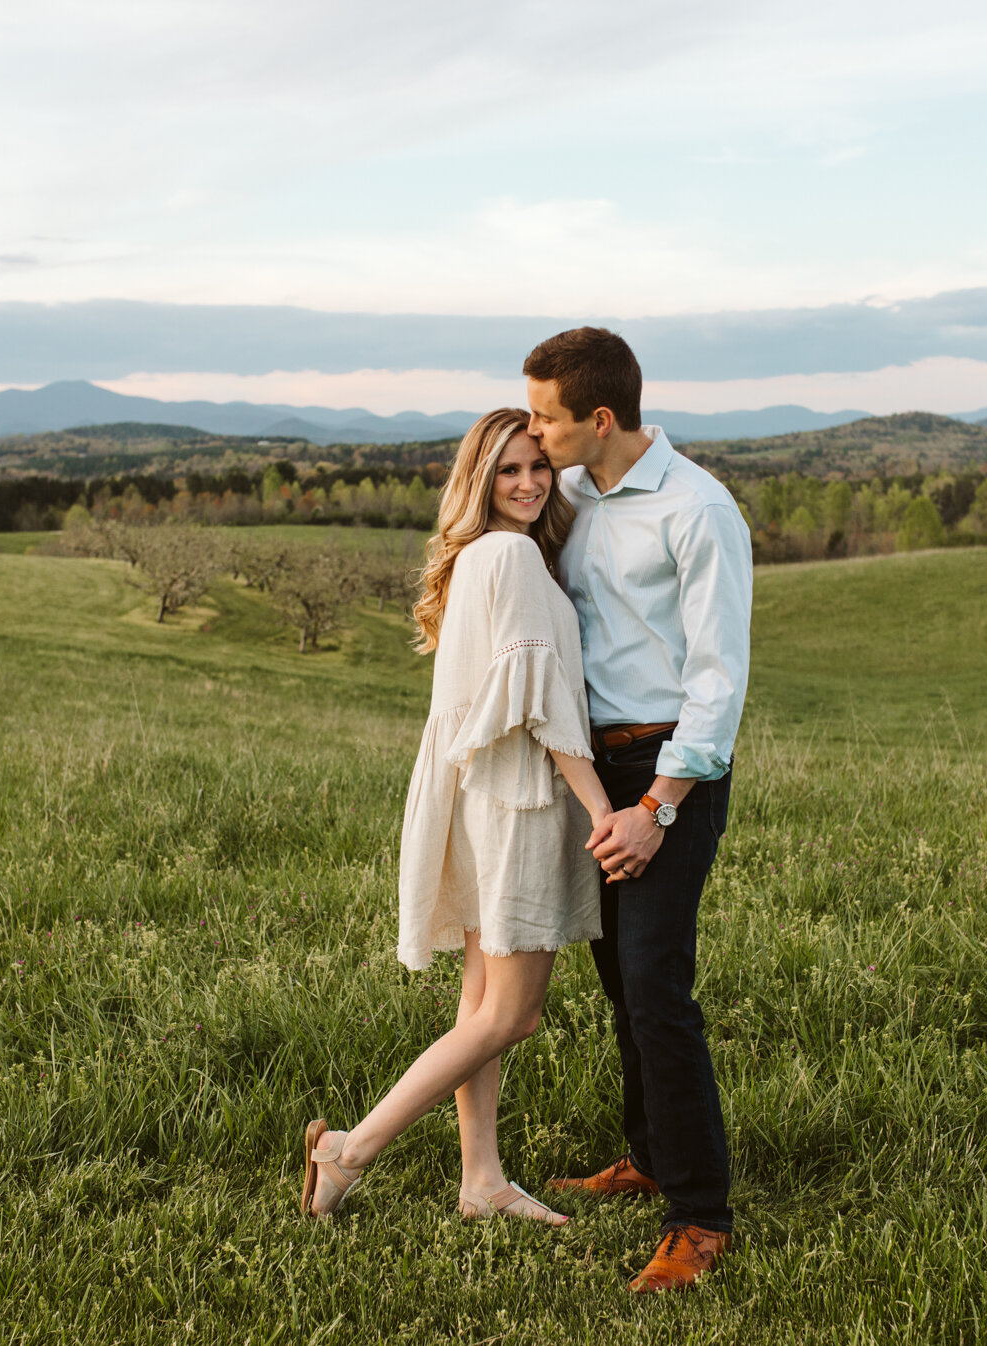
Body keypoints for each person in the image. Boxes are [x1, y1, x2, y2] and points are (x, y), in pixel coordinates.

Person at [303, 408, 612, 1227]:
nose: (528, 483)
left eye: (538, 468)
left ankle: (482, 1182)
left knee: (479, 1009)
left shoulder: (480, 557)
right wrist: (607, 814)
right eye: (508, 470)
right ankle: (350, 1150)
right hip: (517, 806)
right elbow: (543, 711)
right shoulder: (511, 556)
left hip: (477, 803)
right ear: (479, 478)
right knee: (514, 1013)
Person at [525, 327, 753, 1294]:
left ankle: (700, 1217)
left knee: (659, 990)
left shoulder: (698, 510)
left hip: (672, 777)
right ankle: (650, 1154)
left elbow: (718, 680)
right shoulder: (570, 494)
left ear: (600, 419)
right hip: (594, 776)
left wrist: (659, 804)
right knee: (622, 983)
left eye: (545, 417)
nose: (535, 436)